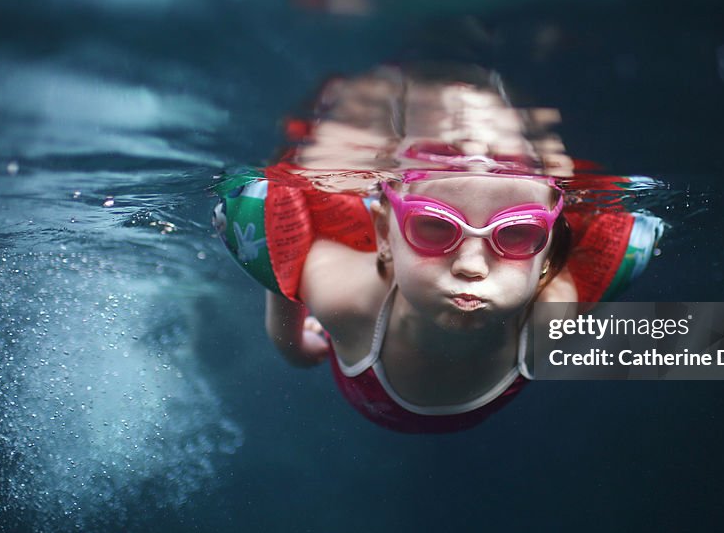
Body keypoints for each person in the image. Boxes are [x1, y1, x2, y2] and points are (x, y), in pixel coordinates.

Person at [213, 64, 663, 433]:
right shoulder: (351, 303)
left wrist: (295, 347)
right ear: (384, 236)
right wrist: (293, 349)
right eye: (433, 228)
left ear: (546, 252)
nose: (471, 266)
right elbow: (283, 276)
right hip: (370, 380)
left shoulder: (552, 317)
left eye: (517, 234)